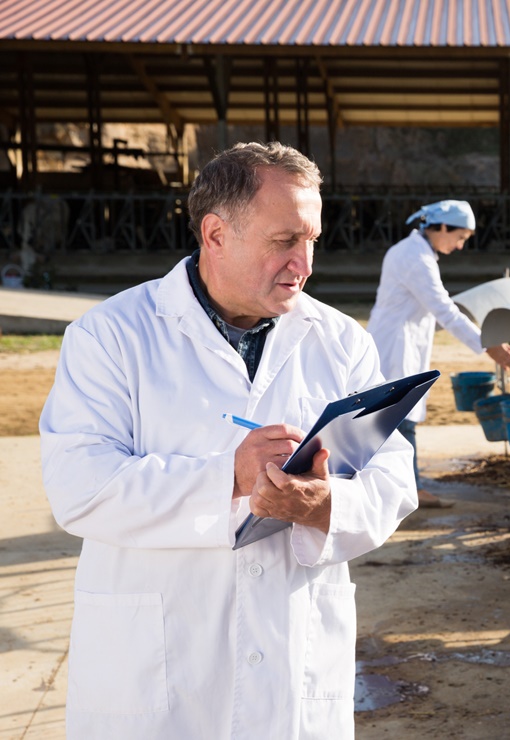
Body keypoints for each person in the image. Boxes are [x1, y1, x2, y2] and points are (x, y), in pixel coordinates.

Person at [39, 142, 415, 739]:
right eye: (284, 241)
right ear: (215, 235)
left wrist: (326, 506)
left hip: (296, 669)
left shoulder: (341, 343)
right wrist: (229, 478)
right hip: (159, 680)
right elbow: (78, 487)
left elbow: (394, 477)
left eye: (312, 239)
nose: (305, 262)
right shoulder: (111, 336)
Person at [366, 199, 510, 508]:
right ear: (444, 227)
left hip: (398, 341)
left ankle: (400, 484)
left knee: (393, 414)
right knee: (400, 416)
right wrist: (488, 345)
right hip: (395, 345)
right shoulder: (415, 258)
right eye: (460, 237)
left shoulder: (417, 253)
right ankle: (412, 488)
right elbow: (444, 310)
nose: (461, 246)